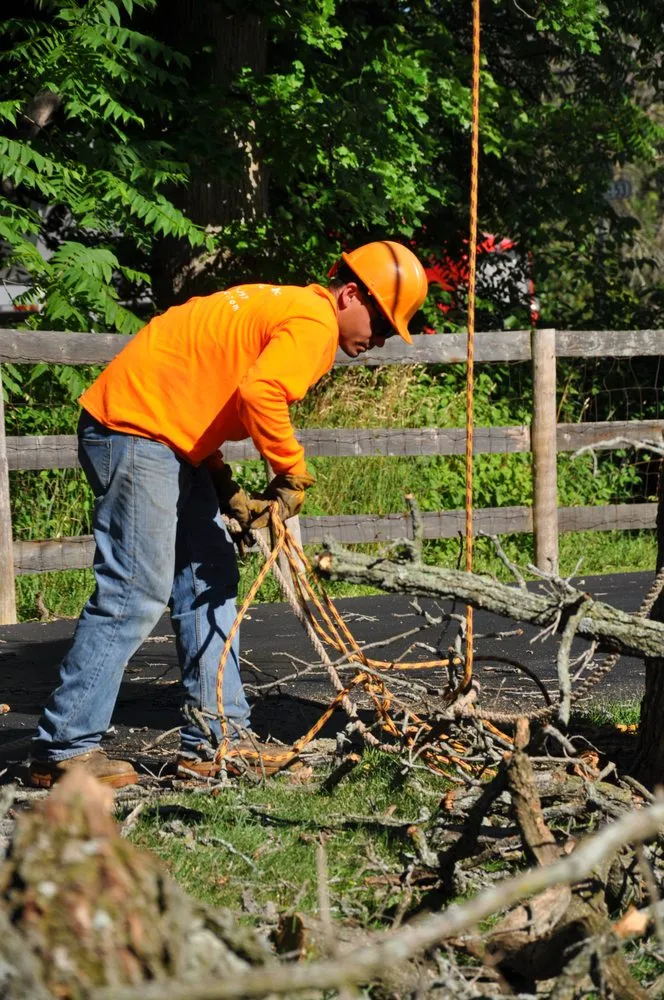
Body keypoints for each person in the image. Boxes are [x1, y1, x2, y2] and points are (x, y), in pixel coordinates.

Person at [28, 240, 428, 789]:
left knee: (208, 578)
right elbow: (259, 393)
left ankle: (218, 741)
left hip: (158, 433)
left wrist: (220, 481)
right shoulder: (315, 322)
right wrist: (292, 472)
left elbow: (197, 389)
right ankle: (64, 748)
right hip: (136, 431)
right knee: (135, 590)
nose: (380, 339)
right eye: (381, 322)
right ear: (351, 295)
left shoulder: (285, 306)